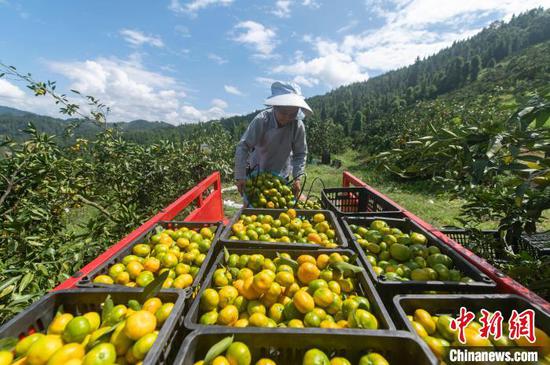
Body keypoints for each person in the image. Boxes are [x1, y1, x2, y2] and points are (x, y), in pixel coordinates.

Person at [234, 81, 313, 199]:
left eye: (293, 113)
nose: (287, 118)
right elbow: (244, 146)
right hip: (257, 172)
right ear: (275, 107)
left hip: (281, 174)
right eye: (284, 112)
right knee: (255, 204)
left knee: (278, 206)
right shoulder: (262, 120)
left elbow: (300, 153)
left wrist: (297, 178)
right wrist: (240, 176)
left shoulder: (297, 125)